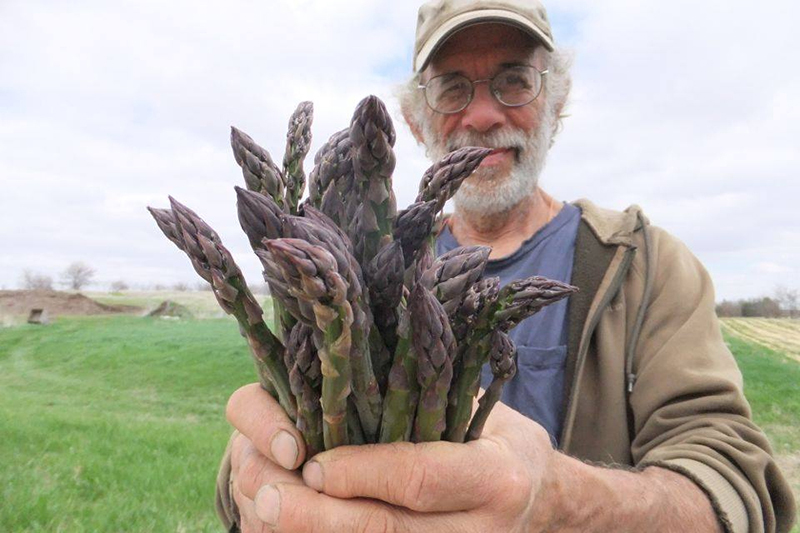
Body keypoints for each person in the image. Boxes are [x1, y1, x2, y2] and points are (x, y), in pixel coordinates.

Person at [216, 1, 797, 531]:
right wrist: (257, 479)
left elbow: (741, 491)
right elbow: (255, 475)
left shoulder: (648, 267)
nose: (485, 113)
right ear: (416, 120)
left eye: (513, 80)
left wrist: (558, 500)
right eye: (451, 88)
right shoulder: (357, 273)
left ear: (558, 100)